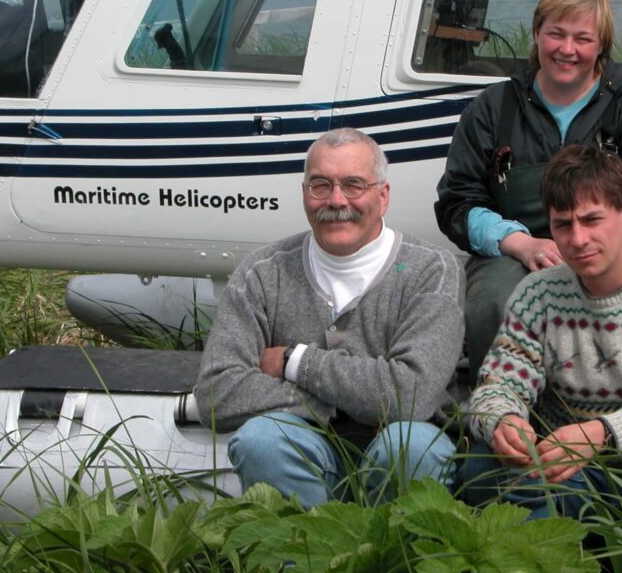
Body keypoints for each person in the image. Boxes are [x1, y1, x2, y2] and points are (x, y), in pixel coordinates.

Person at [194, 128, 465, 507]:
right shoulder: (262, 271)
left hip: (400, 447)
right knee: (261, 441)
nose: (337, 200)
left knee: (413, 447)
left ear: (382, 196)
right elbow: (214, 393)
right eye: (320, 185)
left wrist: (296, 361)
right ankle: (301, 556)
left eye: (354, 184)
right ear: (304, 194)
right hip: (305, 446)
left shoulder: (431, 270)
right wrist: (342, 403)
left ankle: (398, 558)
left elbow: (413, 396)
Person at [460, 144, 622, 519]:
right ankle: (571, 547)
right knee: (479, 467)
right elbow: (498, 384)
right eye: (563, 224)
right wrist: (503, 422)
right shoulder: (538, 293)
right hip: (572, 469)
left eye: (591, 220)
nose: (578, 239)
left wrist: (601, 434)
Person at [435, 0, 622, 374]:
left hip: (608, 249)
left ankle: (600, 420)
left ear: (602, 45)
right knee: (495, 302)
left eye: (583, 39)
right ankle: (503, 417)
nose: (567, 49)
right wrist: (519, 243)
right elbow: (458, 201)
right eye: (555, 34)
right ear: (536, 33)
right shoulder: (493, 107)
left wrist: (591, 256)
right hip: (514, 252)